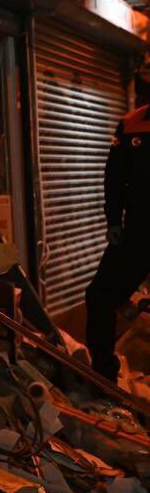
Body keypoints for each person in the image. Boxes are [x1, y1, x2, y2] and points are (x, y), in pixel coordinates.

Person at [85, 89, 150, 381]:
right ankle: (103, 377)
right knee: (100, 297)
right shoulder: (131, 124)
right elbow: (114, 177)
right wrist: (113, 221)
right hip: (138, 232)